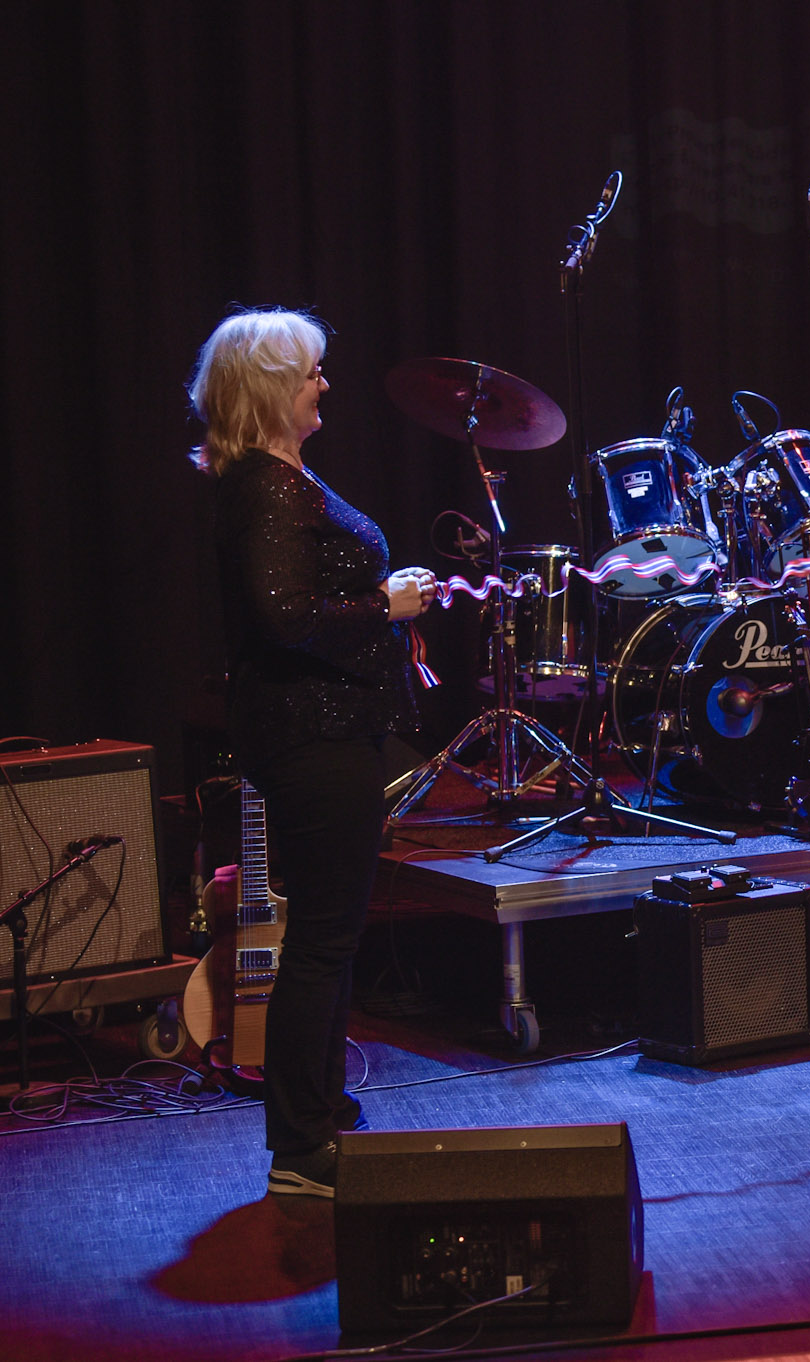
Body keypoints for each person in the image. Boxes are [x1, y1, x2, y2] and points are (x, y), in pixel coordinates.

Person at [191, 308, 436, 1194]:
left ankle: (322, 1109)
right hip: (312, 733)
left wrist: (381, 593)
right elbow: (285, 616)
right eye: (310, 373)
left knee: (331, 935)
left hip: (327, 728)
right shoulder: (267, 484)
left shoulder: (281, 477)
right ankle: (300, 1145)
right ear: (270, 390)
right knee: (323, 943)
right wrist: (386, 606)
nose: (324, 384)